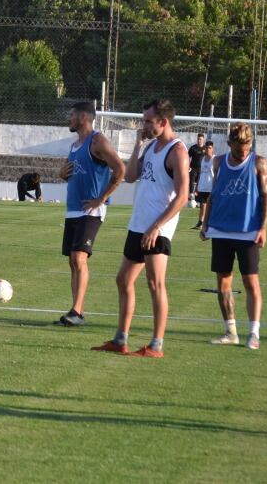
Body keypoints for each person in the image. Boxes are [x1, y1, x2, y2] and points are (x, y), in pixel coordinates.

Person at [93, 98, 189, 358]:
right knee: (123, 280)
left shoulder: (177, 151)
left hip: (158, 229)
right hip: (138, 225)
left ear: (164, 122)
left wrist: (157, 227)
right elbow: (131, 175)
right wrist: (138, 144)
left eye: (148, 120)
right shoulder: (151, 147)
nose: (144, 124)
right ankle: (120, 339)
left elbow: (182, 196)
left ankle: (156, 345)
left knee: (155, 283)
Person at [200, 123, 267, 349]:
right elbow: (212, 196)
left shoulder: (258, 163)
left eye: (247, 147)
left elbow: (266, 198)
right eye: (239, 149)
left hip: (248, 230)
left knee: (251, 282)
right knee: (223, 283)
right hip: (221, 229)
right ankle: (231, 331)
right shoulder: (218, 162)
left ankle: (254, 333)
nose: (243, 153)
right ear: (230, 144)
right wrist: (205, 223)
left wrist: (263, 228)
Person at [55, 101, 125, 326]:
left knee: (79, 257)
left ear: (84, 117)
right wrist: (61, 174)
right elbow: (67, 172)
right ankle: (76, 312)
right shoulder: (75, 145)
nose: (69, 119)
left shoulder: (98, 140)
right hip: (73, 210)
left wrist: (101, 199)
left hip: (91, 211)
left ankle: (77, 311)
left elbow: (120, 169)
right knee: (73, 262)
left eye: (72, 115)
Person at [191, 141, 217, 229]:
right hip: (202, 186)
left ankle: (210, 223)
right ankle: (200, 222)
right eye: (206, 148)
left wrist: (216, 186)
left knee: (210, 205)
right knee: (202, 205)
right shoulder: (203, 159)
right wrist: (197, 186)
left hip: (211, 187)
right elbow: (200, 173)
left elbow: (217, 174)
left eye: (209, 148)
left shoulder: (215, 160)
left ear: (212, 149)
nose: (208, 149)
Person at [187, 132, 207, 206]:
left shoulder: (205, 148)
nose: (199, 140)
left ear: (203, 140)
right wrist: (188, 166)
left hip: (202, 169)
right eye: (198, 139)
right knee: (191, 180)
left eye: (201, 139)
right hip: (193, 168)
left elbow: (208, 157)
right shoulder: (193, 148)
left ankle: (198, 198)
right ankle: (191, 195)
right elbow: (187, 157)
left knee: (200, 183)